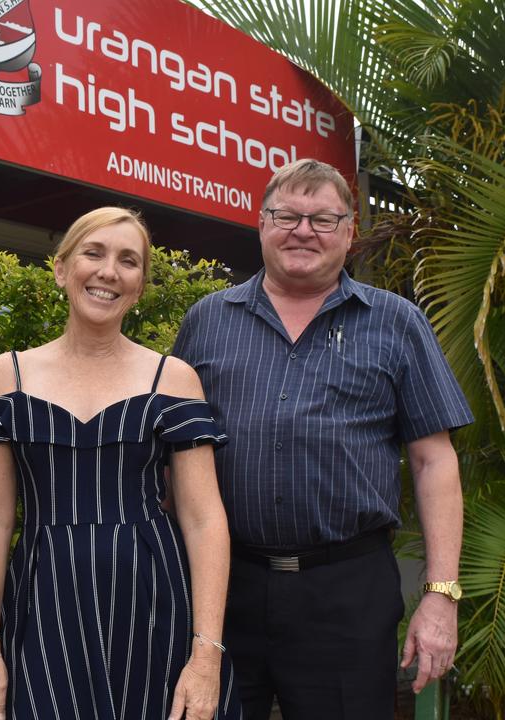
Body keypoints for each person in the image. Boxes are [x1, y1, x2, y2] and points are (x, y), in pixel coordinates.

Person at [172, 159, 474, 719]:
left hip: (348, 592)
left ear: (349, 231)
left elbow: (435, 461)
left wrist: (442, 594)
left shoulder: (397, 322)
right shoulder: (206, 321)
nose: (303, 230)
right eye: (287, 215)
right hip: (223, 588)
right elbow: (172, 458)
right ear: (261, 223)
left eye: (323, 219)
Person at [0, 207, 242, 720]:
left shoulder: (173, 379)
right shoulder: (7, 376)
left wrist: (206, 655)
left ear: (139, 284)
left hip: (156, 608)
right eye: (94, 253)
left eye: (128, 261)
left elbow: (204, 520)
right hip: (42, 605)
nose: (109, 271)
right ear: (61, 267)